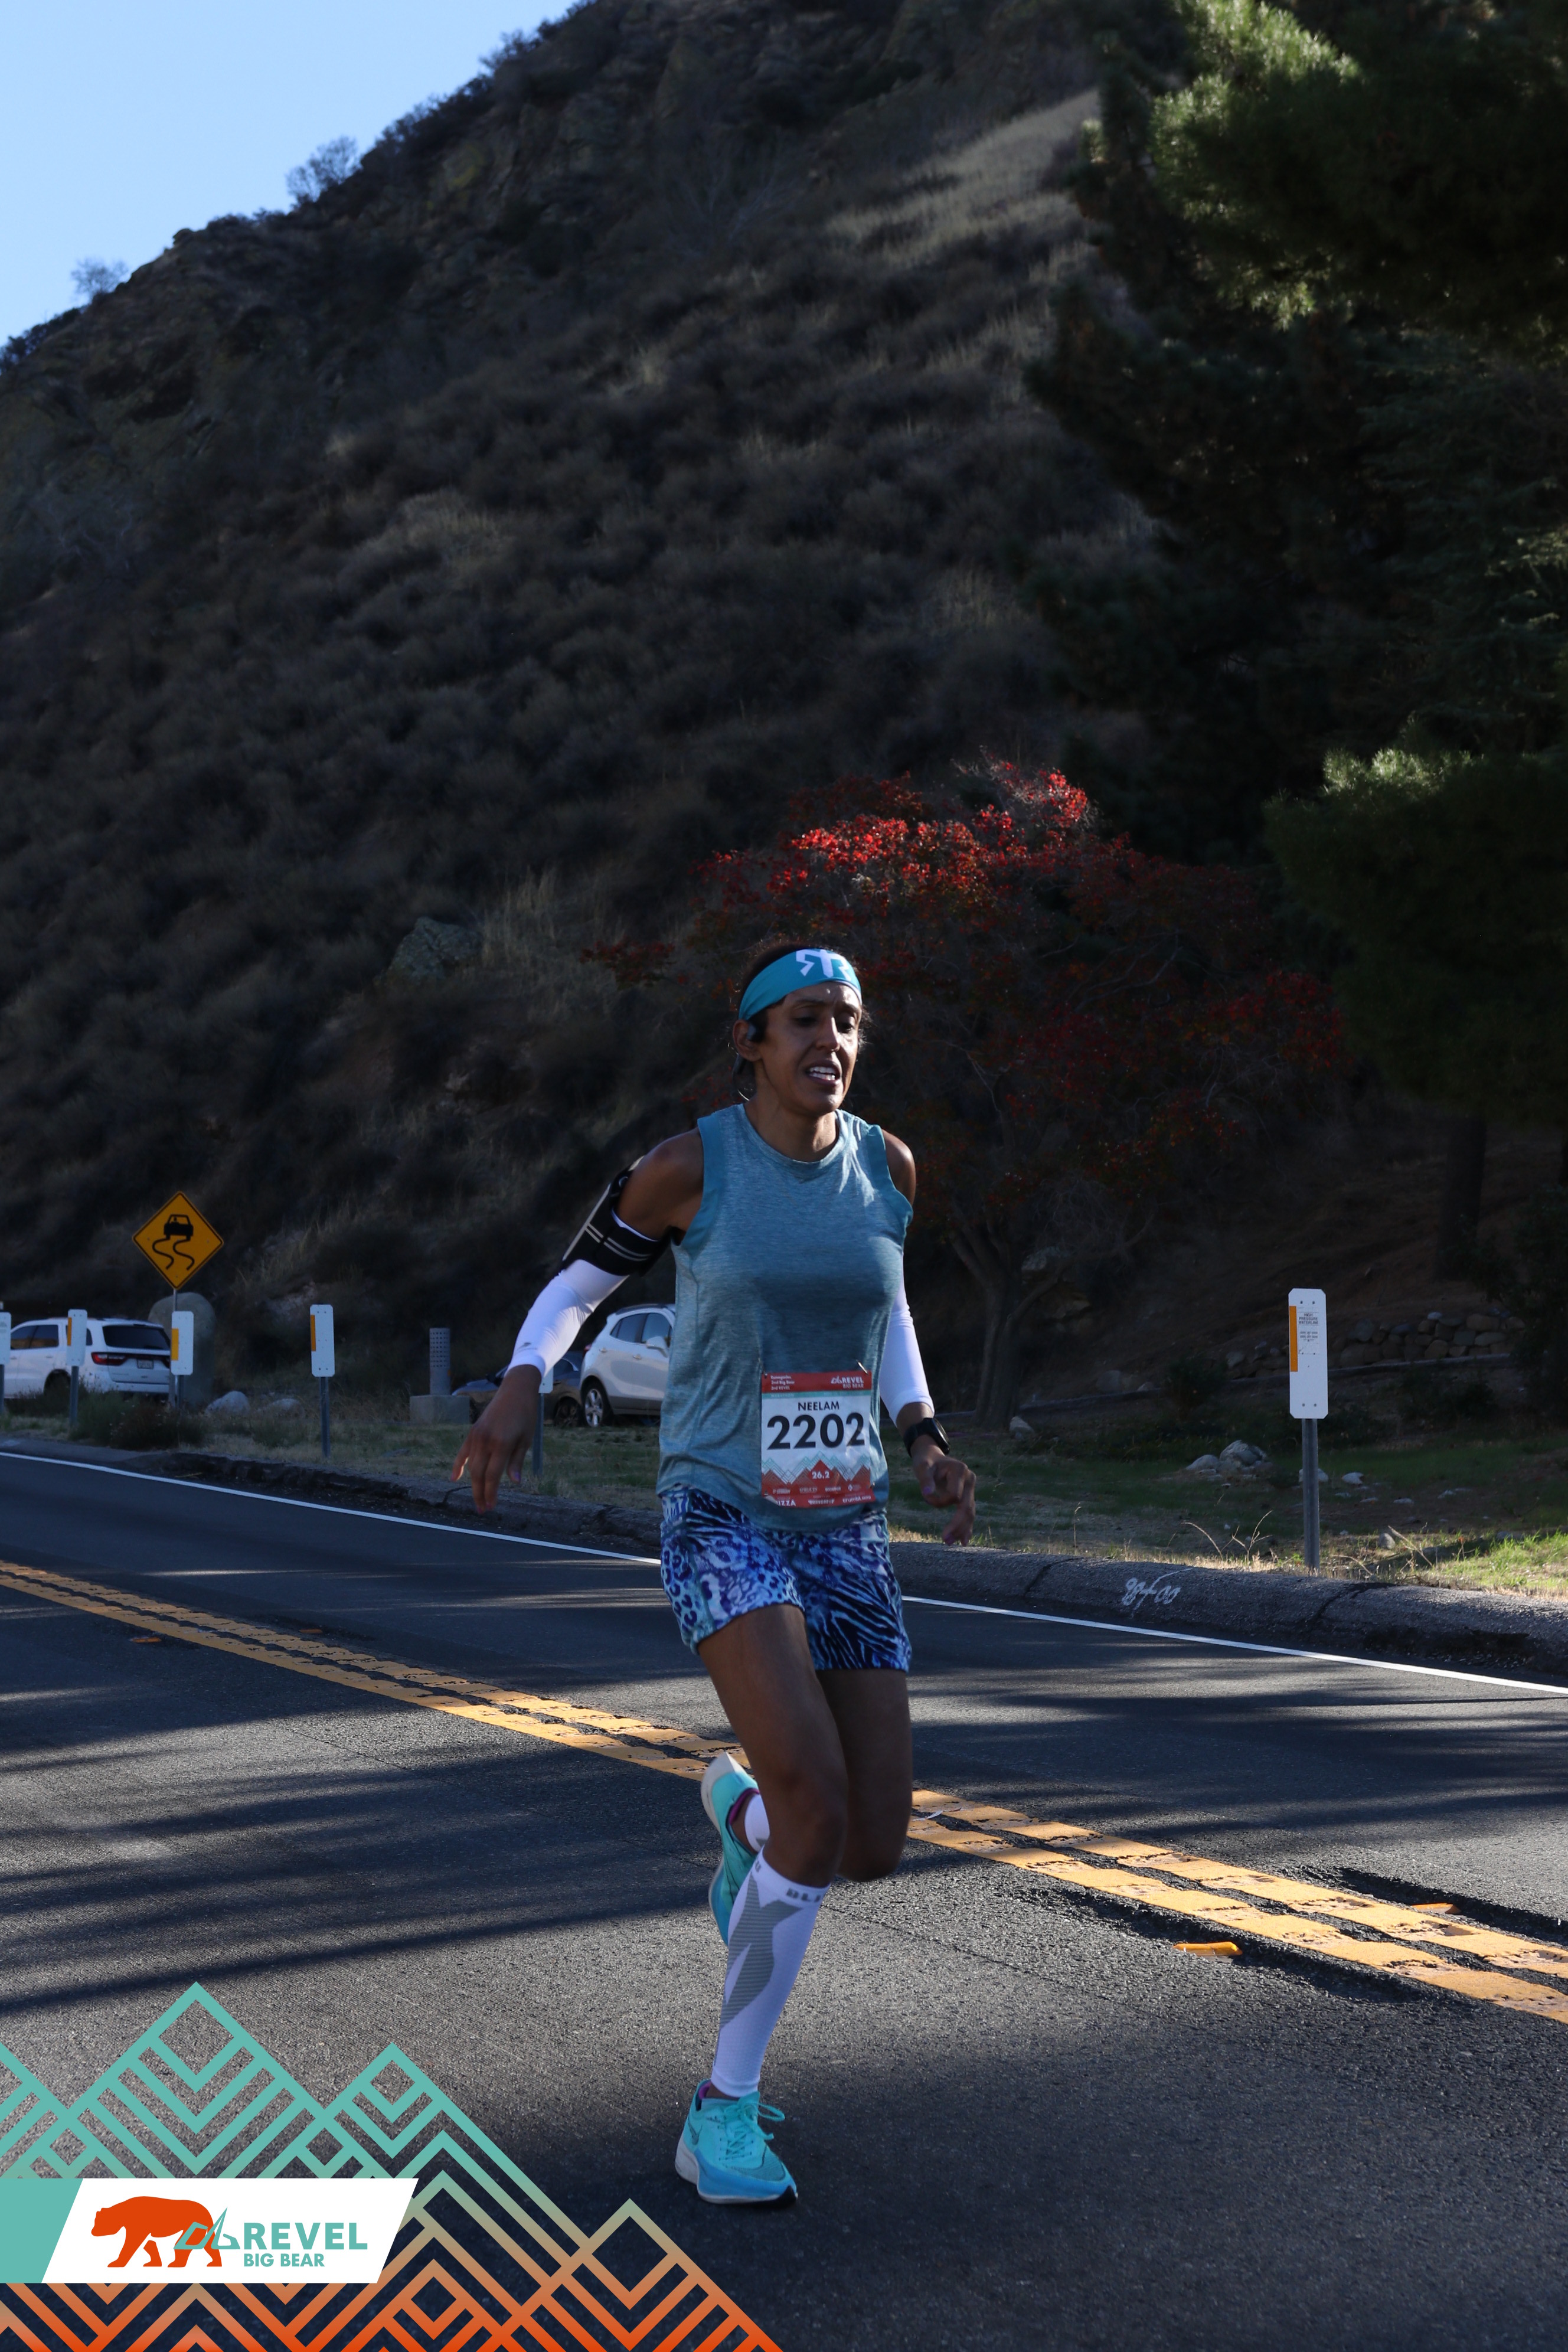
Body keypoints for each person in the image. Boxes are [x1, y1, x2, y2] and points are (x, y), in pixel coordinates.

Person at [453, 940, 976, 2206]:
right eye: (803, 1021)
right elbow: (575, 1288)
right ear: (750, 1041)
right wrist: (523, 1382)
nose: (829, 1042)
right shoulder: (691, 1166)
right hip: (721, 1509)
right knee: (815, 1804)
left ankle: (746, 1825)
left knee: (868, 1843)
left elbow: (888, 1309)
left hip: (844, 1521)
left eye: (846, 1021)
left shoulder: (888, 1167)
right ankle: (721, 2112)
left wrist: (922, 1435)